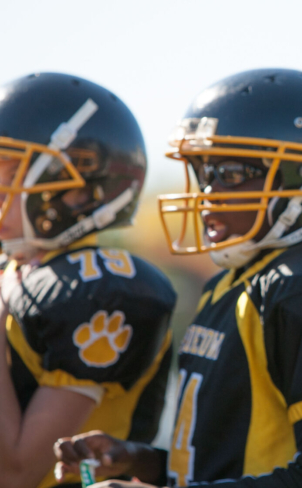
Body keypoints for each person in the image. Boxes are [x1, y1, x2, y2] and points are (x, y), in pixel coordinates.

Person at [54, 69, 302, 487]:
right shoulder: (233, 281)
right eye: (204, 173)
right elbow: (218, 466)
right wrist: (136, 460)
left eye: (229, 174)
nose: (206, 194)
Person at [0, 72, 176, 488]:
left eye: (10, 177)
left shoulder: (98, 289)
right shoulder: (18, 270)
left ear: (78, 192)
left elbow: (18, 472)